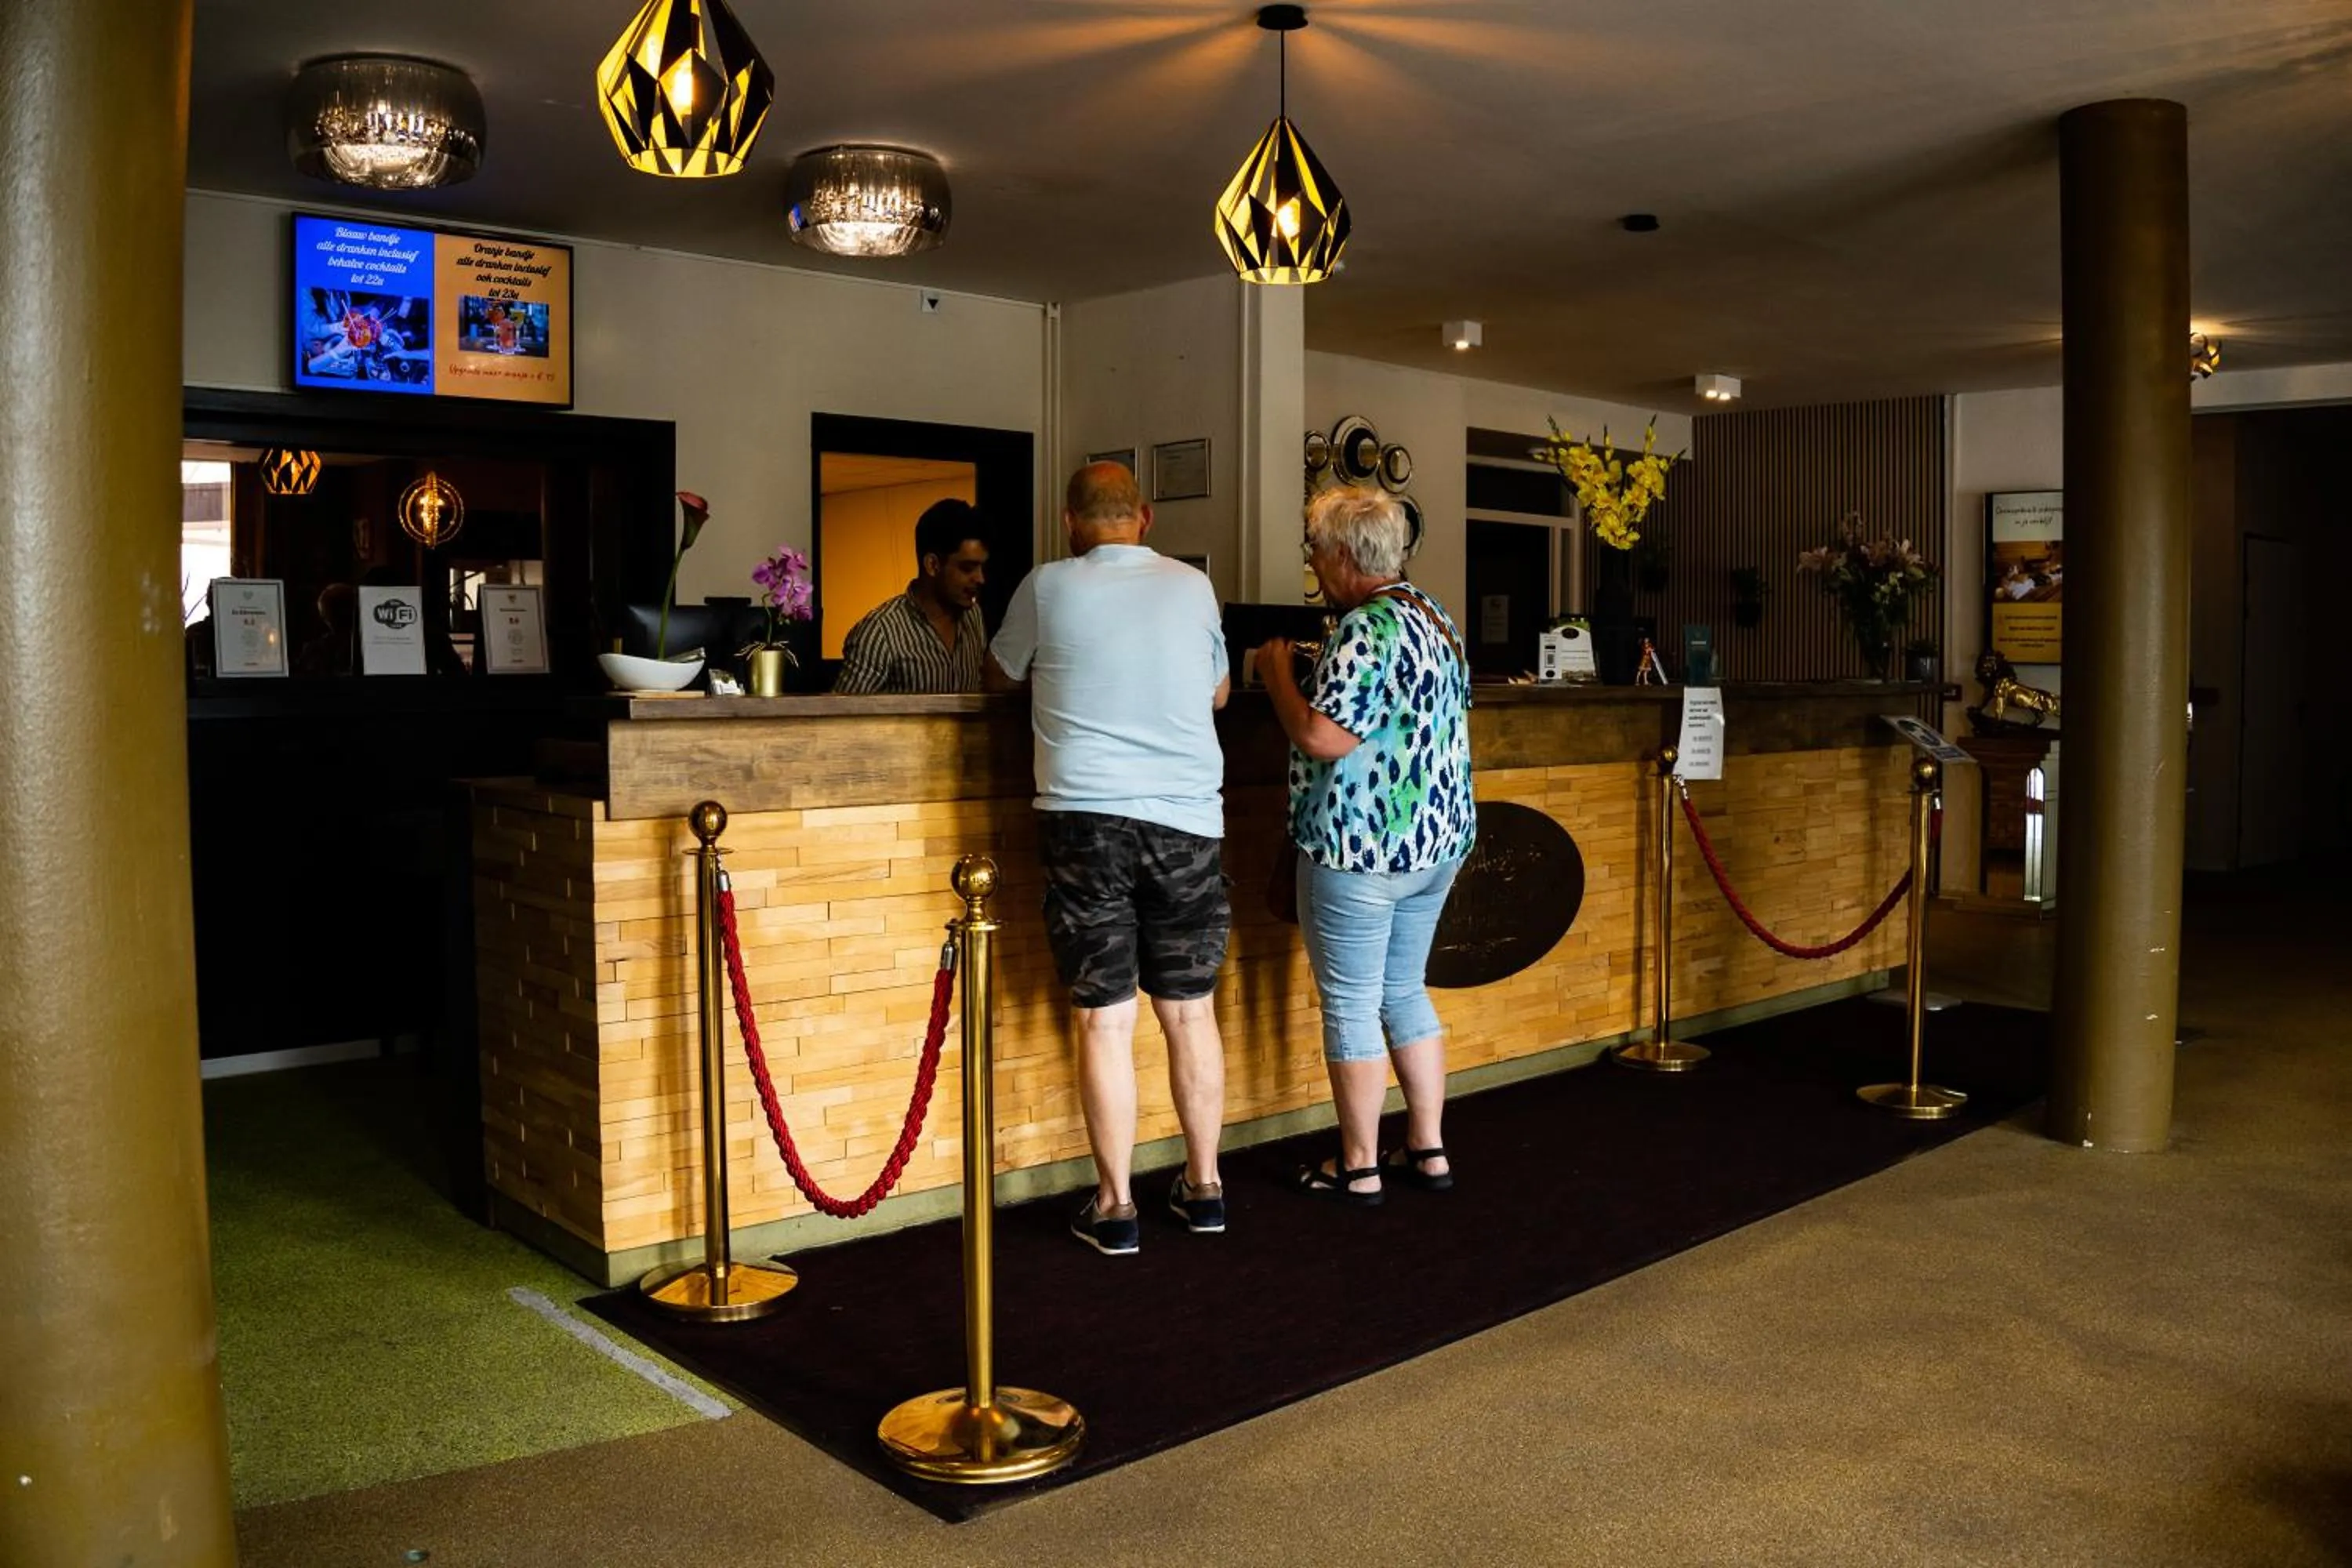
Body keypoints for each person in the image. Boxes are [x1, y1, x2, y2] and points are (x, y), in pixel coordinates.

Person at [986, 462, 1232, 1255]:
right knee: (1189, 1010)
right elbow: (1221, 693)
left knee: (1105, 1018)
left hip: (1085, 817)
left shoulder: (1046, 585)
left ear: (1069, 522)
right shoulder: (1192, 587)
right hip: (1188, 819)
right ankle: (1203, 1188)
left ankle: (1116, 1204)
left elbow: (998, 675)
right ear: (1145, 518)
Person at [1255, 484, 1475, 1205]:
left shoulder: (1366, 630)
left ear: (1345, 555)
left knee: (1351, 1004)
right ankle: (1429, 1147)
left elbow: (1323, 736)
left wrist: (1278, 676)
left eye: (1315, 551)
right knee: (1403, 990)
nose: (1313, 565)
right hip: (1435, 847)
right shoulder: (1436, 616)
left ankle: (1358, 1164)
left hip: (1361, 849)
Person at [832, 499, 990, 693]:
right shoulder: (880, 632)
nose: (980, 578)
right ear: (933, 565)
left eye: (982, 567)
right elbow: (845, 717)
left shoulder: (974, 617)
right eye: (967, 568)